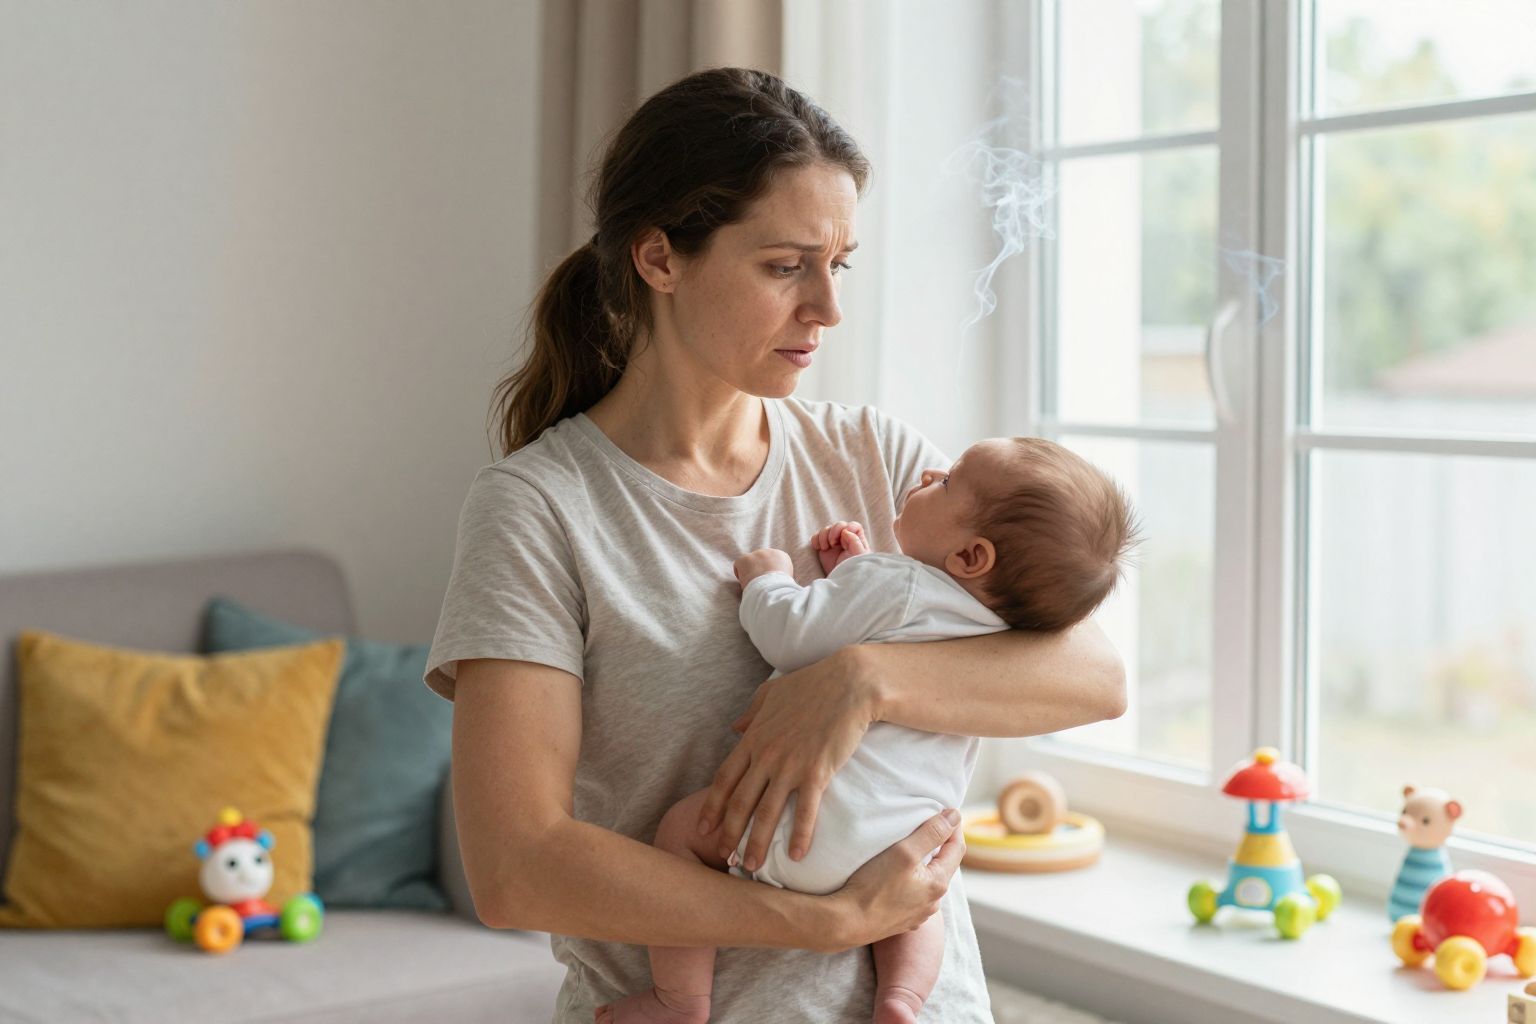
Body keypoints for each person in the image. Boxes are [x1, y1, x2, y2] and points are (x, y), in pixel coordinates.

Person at [422, 67, 1127, 1023]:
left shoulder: (874, 456)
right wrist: (828, 922)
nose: (827, 308)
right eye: (786, 265)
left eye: (839, 264)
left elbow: (1093, 675)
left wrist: (858, 680)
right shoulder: (541, 509)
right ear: (660, 259)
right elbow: (518, 868)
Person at [600, 437, 1139, 1024]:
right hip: (900, 843)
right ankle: (902, 999)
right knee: (922, 904)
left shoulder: (896, 582)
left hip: (802, 827)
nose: (930, 471)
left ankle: (678, 1001)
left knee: (683, 833)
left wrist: (768, 579)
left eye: (948, 481)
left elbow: (793, 634)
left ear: (971, 558)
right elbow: (903, 628)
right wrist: (855, 577)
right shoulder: (1001, 633)